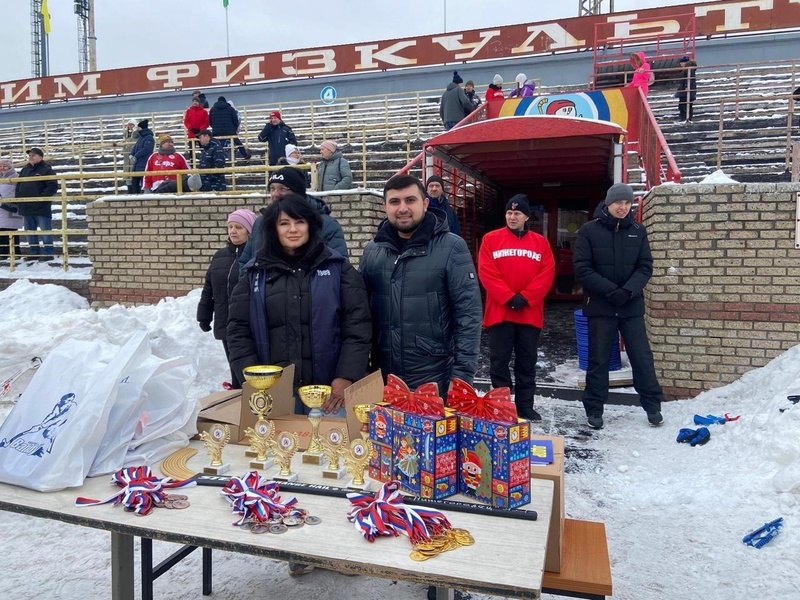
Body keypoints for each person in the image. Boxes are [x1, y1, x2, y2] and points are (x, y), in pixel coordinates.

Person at [227, 194, 371, 411]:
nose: (293, 229)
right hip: (274, 395)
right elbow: (238, 331)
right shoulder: (254, 275)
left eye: (299, 222)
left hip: (330, 395)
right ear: (273, 229)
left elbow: (358, 326)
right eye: (284, 223)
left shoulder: (338, 269)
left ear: (311, 226)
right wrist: (254, 380)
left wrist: (346, 376)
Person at [359, 174, 482, 396]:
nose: (403, 208)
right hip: (382, 377)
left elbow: (468, 315)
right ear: (384, 206)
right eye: (395, 202)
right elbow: (359, 313)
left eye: (410, 200)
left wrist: (463, 376)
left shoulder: (452, 247)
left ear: (425, 203)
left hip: (433, 379)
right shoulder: (372, 250)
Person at [573, 183, 665, 430]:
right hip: (601, 306)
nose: (623, 207)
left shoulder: (638, 230)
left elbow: (645, 266)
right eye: (618, 203)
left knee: (641, 357)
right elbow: (582, 268)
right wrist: (610, 291)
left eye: (627, 203)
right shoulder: (588, 231)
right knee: (599, 359)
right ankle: (594, 409)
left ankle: (653, 406)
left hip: (630, 305)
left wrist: (627, 291)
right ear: (608, 203)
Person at [478, 195, 555, 422]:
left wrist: (526, 298)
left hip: (529, 313)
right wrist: (508, 297)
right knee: (499, 362)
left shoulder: (540, 243)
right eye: (509, 213)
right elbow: (486, 271)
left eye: (517, 213)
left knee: (527, 361)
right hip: (500, 311)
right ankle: (502, 406)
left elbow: (547, 273)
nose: (512, 217)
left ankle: (525, 406)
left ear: (526, 217)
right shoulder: (491, 239)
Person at [238, 166, 348, 275]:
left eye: (283, 188)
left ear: (298, 193)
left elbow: (340, 269)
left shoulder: (326, 225)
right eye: (272, 188)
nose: (275, 194)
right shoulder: (260, 223)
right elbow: (245, 266)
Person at [197, 209, 258, 389]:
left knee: (247, 369)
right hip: (225, 321)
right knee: (234, 365)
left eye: (238, 227)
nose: (233, 231)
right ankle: (236, 398)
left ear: (249, 231)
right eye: (230, 226)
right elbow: (209, 288)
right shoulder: (220, 256)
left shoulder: (256, 256)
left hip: (248, 324)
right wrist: (204, 315)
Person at [15, 148, 57, 261]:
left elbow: (52, 186)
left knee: (45, 231)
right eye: (30, 155)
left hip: (41, 207)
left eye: (34, 155)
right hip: (26, 206)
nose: (31, 157)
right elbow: (19, 186)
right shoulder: (25, 170)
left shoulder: (47, 170)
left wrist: (41, 198)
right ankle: (34, 252)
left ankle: (48, 253)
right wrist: (18, 199)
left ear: (41, 157)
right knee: (29, 231)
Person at [0, 158, 22, 262]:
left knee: (11, 230)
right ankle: (3, 253)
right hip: (1, 209)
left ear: (10, 167)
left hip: (11, 208)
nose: (2, 168)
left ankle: (16, 252)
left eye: (5, 166)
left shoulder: (16, 177)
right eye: (1, 166)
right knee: (1, 231)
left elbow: (18, 191)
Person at [129, 119, 154, 194]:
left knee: (143, 182)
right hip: (137, 165)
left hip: (144, 164)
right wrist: (131, 154)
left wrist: (135, 156)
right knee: (134, 183)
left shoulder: (149, 137)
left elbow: (146, 149)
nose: (137, 129)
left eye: (139, 128)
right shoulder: (141, 137)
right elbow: (135, 147)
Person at [676, 56, 698, 122]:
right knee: (684, 104)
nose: (681, 64)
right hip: (685, 89)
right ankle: (685, 117)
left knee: (685, 104)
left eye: (682, 62)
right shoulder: (688, 69)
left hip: (686, 90)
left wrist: (686, 86)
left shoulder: (689, 69)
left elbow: (689, 79)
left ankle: (685, 118)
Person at [121, 118, 138, 191]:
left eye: (132, 125)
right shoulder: (125, 136)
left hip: (134, 158)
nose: (130, 126)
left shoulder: (137, 135)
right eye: (129, 125)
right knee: (127, 176)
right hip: (126, 159)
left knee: (134, 175)